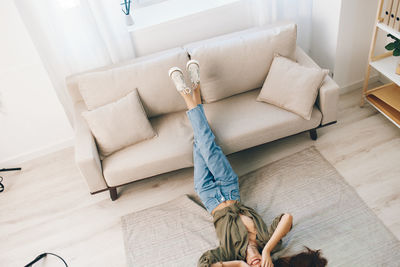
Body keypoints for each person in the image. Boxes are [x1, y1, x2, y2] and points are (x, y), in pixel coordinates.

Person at [168, 61, 327, 267]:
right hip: (228, 186)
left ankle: (194, 89)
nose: (254, 264)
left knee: (202, 143)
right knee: (205, 144)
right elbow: (286, 218)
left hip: (207, 195)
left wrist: (239, 265)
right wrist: (268, 249)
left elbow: (204, 263)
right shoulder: (266, 241)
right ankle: (186, 92)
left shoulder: (229, 253)